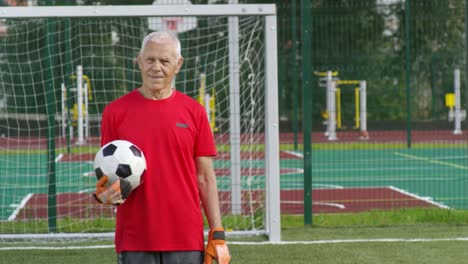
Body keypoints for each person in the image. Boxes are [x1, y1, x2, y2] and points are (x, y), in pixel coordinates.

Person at [93, 31, 231, 264]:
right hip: (135, 239)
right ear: (139, 60)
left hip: (185, 237)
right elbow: (107, 177)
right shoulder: (115, 112)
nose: (156, 67)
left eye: (164, 61)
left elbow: (205, 177)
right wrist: (104, 196)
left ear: (178, 65)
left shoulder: (194, 112)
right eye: (150, 59)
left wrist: (217, 234)